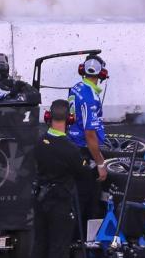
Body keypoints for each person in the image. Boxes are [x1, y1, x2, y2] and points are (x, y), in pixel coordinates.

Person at [32, 99, 91, 258]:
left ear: (48, 116)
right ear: (69, 119)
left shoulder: (38, 141)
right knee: (59, 248)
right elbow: (82, 171)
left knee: (39, 243)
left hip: (40, 200)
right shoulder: (70, 149)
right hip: (60, 204)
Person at [66, 54, 109, 223]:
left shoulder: (75, 87)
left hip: (72, 143)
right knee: (88, 200)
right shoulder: (90, 97)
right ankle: (81, 239)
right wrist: (100, 163)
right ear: (102, 74)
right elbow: (90, 134)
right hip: (84, 150)